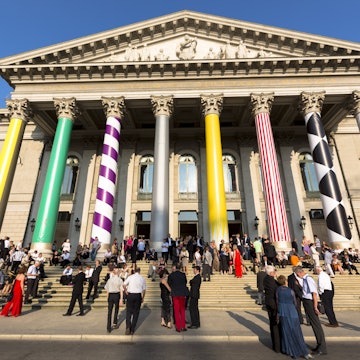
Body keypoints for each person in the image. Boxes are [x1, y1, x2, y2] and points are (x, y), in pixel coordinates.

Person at [276, 275, 313, 359]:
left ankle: (290, 350)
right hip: (291, 311)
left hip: (282, 311)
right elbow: (295, 303)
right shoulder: (290, 290)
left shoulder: (278, 290)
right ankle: (303, 351)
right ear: (285, 281)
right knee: (296, 332)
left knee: (287, 331)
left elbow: (277, 301)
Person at [295, 266, 327, 355]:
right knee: (313, 324)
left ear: (300, 272)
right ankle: (319, 344)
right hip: (307, 301)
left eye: (298, 275)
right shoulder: (305, 280)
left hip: (310, 302)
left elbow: (314, 294)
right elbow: (307, 291)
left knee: (316, 324)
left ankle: (322, 347)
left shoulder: (308, 279)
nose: (298, 276)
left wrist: (315, 307)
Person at [123, 267, 146, 335]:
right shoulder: (142, 278)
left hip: (130, 294)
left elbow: (124, 284)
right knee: (136, 312)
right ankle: (132, 329)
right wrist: (143, 297)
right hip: (138, 295)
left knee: (129, 311)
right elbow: (144, 289)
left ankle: (128, 326)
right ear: (139, 271)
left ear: (134, 271)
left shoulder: (130, 277)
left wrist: (126, 291)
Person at [263, 265, 281, 353]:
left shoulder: (266, 278)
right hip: (273, 304)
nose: (275, 272)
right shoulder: (271, 281)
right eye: (274, 271)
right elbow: (276, 289)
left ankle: (276, 345)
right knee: (276, 325)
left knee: (273, 324)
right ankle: (277, 346)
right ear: (271, 273)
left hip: (269, 302)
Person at [168, 263, 189, 333]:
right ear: (180, 268)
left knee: (176, 311)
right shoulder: (183, 275)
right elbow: (185, 282)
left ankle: (178, 327)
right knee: (182, 310)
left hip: (175, 293)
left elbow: (169, 283)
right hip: (182, 293)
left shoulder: (171, 275)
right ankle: (183, 326)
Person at [104, 266, 124, 333]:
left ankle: (108, 327)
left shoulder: (109, 280)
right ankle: (115, 323)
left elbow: (107, 289)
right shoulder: (120, 280)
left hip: (110, 295)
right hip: (116, 295)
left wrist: (107, 297)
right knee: (116, 309)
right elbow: (121, 290)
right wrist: (121, 299)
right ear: (117, 273)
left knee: (109, 311)